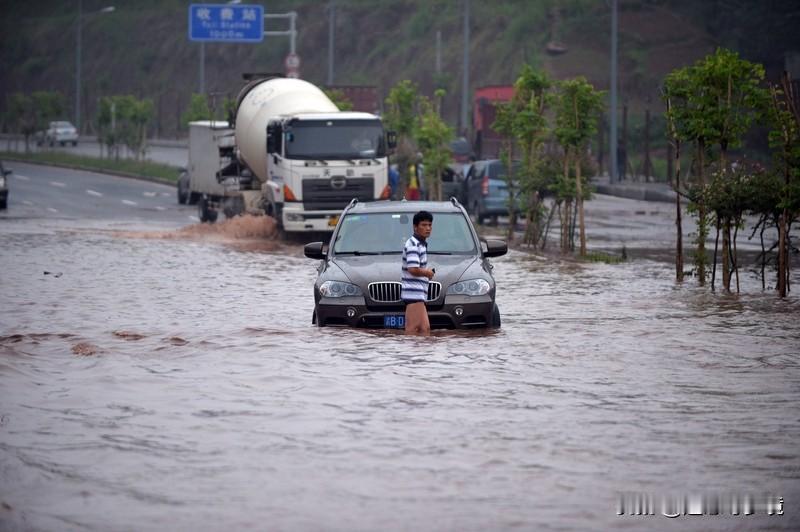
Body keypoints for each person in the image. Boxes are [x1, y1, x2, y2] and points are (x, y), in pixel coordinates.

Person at [401, 211, 435, 335]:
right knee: (412, 331)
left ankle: (422, 355)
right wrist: (428, 273)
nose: (428, 228)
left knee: (424, 330)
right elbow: (413, 269)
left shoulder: (420, 244)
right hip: (413, 295)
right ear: (415, 227)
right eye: (424, 225)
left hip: (418, 295)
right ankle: (409, 355)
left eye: (430, 225)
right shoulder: (413, 245)